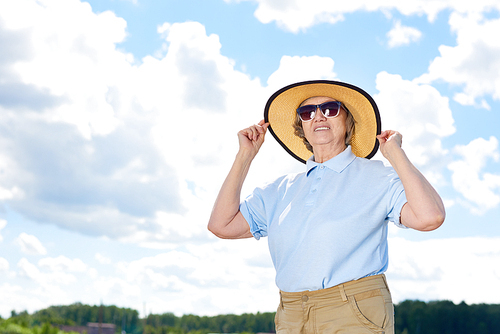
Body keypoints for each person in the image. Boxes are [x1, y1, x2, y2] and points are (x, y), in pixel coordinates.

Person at [208, 80, 445, 333]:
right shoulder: (278, 189)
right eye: (307, 113)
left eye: (330, 108)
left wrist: (396, 155)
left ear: (348, 120)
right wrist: (245, 155)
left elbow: (430, 217)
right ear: (302, 126)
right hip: (291, 314)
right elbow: (221, 225)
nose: (318, 116)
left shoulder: (378, 176)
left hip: (354, 311)